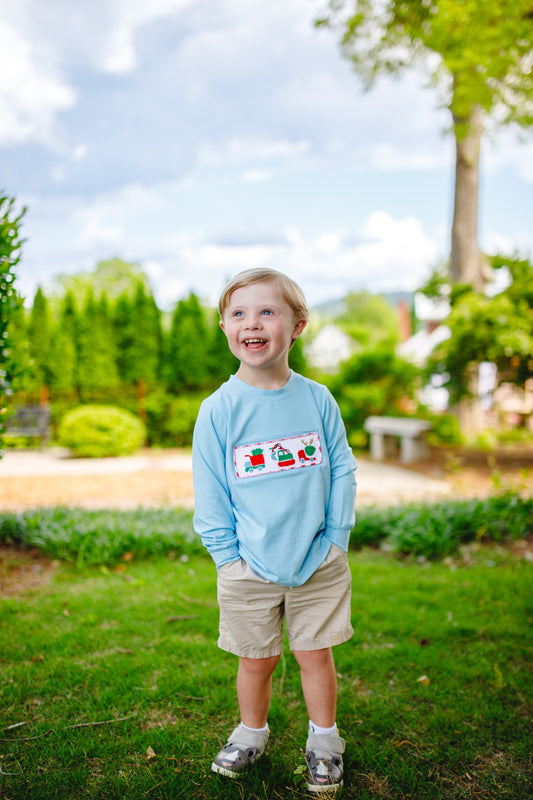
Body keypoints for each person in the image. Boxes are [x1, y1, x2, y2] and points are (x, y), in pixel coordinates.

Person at [192, 267, 357, 793]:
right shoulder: (218, 410)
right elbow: (211, 490)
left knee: (315, 655)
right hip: (247, 566)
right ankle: (251, 733)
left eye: (267, 311)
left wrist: (335, 539)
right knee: (256, 660)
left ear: (298, 325)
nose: (252, 323)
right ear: (224, 327)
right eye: (238, 313)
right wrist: (227, 558)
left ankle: (325, 741)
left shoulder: (317, 399)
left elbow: (343, 469)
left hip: (318, 559)